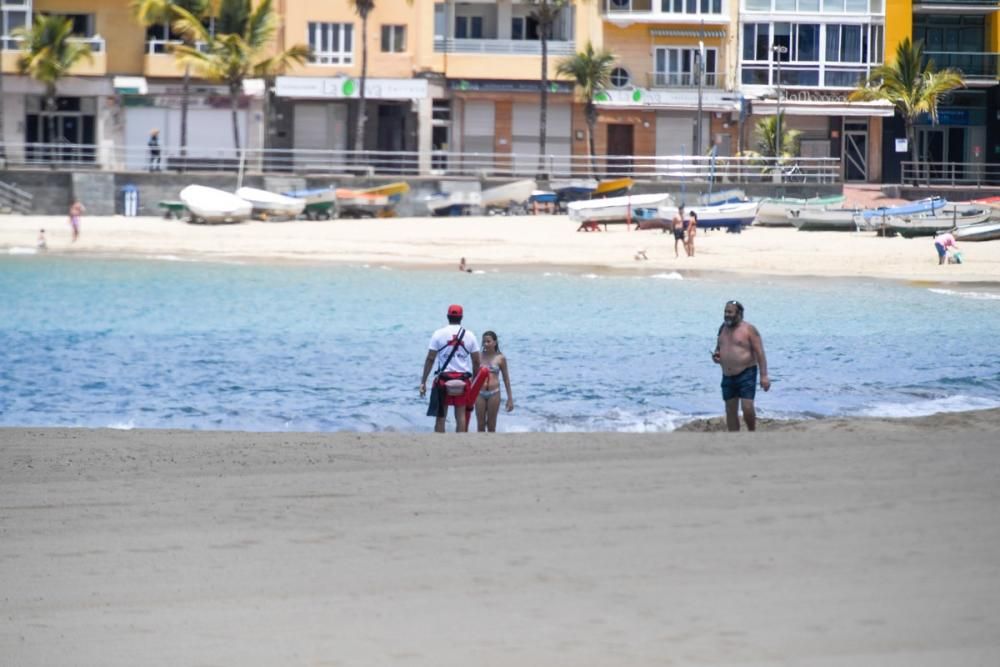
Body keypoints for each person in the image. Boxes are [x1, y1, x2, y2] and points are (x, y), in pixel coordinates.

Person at [420, 304, 481, 433]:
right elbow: (476, 361)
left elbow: (430, 358)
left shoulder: (438, 334)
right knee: (460, 415)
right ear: (461, 317)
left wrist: (423, 381)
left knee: (441, 415)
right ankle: (460, 442)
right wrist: (475, 380)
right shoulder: (470, 335)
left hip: (443, 380)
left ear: (447, 316)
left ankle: (440, 442)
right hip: (462, 380)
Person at [712, 300, 770, 431]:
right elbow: (718, 347)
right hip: (727, 375)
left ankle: (751, 432)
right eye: (725, 312)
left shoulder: (749, 329)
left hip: (746, 373)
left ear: (739, 314)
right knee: (730, 410)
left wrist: (764, 376)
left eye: (730, 312)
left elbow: (760, 353)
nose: (727, 314)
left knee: (747, 407)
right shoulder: (722, 328)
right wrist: (717, 356)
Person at [474, 331, 514, 432]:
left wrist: (510, 398)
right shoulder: (478, 356)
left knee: (491, 425)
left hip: (494, 393)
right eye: (484, 342)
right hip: (479, 393)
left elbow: (506, 379)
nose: (485, 344)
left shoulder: (500, 358)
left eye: (488, 341)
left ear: (495, 342)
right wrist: (469, 396)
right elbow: (473, 377)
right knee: (480, 425)